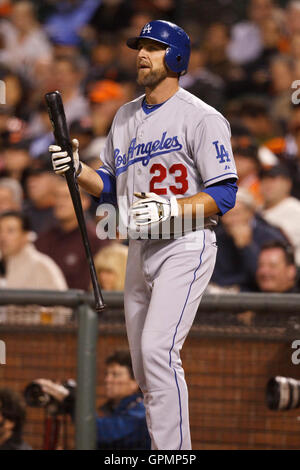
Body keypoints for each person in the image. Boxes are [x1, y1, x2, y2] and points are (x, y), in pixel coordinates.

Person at [49, 20, 238, 450]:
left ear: (176, 58)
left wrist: (173, 207)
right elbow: (112, 185)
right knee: (144, 364)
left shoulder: (202, 117)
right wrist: (78, 172)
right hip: (140, 244)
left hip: (185, 242)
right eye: (141, 46)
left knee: (157, 352)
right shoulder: (125, 114)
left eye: (154, 47)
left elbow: (225, 194)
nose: (142, 54)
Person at [35, 350, 151, 450]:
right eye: (107, 374)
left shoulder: (141, 413)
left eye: (115, 375)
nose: (107, 380)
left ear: (135, 382)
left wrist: (75, 401)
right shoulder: (116, 410)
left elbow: (98, 432)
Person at [35, 178, 109, 290]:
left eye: (66, 197)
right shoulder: (43, 239)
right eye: (57, 196)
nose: (60, 202)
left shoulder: (95, 240)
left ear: (85, 202)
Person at [211, 187, 288, 291]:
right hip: (221, 294)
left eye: (237, 214)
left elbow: (266, 277)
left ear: (250, 213)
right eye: (227, 215)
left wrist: (246, 247)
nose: (232, 220)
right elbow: (214, 275)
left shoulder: (270, 236)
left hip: (256, 296)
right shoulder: (217, 236)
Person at [0, 211, 67, 290]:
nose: (3, 237)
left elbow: (59, 300)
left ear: (25, 235)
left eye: (10, 231)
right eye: (0, 231)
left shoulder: (41, 266)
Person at [260, 164, 300, 265]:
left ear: (288, 183)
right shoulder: (257, 211)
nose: (268, 184)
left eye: (273, 179)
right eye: (264, 179)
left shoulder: (295, 210)